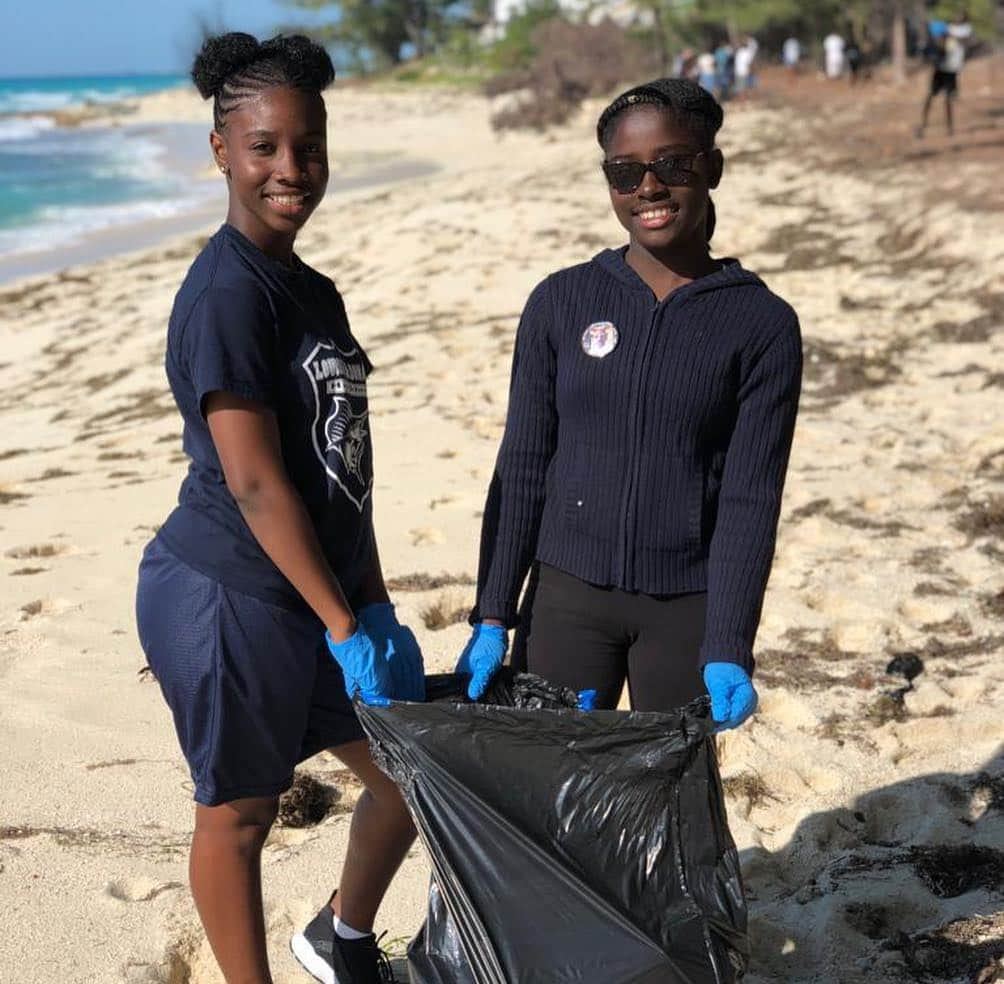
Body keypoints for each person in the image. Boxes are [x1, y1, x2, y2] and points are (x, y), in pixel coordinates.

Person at [135, 32, 423, 984]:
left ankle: (338, 938)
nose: (290, 170)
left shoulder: (313, 290)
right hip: (230, 595)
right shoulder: (225, 294)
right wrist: (344, 622)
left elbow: (346, 468)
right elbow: (255, 483)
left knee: (407, 781)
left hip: (320, 593)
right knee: (241, 814)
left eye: (308, 147)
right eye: (264, 147)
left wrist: (370, 600)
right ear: (222, 151)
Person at [455, 78, 802, 733]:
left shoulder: (761, 324)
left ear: (713, 168)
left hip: (685, 609)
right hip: (564, 597)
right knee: (549, 800)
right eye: (625, 171)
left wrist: (729, 643)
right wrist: (494, 611)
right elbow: (524, 464)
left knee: (665, 811)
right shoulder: (560, 302)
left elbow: (750, 499)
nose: (649, 186)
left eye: (674, 164)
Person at [917, 11, 971, 137]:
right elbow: (940, 47)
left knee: (947, 99)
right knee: (931, 96)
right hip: (942, 68)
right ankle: (924, 125)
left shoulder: (962, 31)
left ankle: (949, 128)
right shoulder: (948, 31)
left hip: (950, 70)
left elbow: (961, 40)